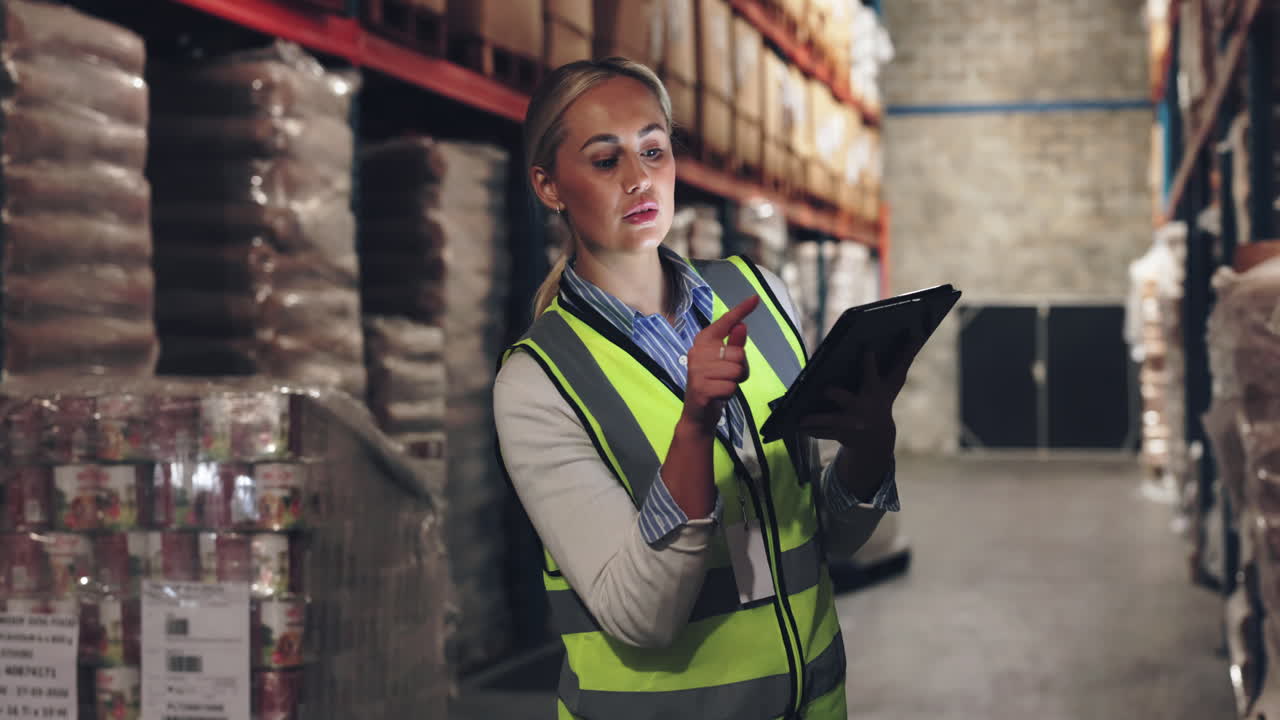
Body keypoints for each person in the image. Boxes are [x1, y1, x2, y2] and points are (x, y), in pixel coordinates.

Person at [494, 57, 912, 720]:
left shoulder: (760, 299)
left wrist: (868, 453)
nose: (639, 179)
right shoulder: (538, 381)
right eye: (606, 161)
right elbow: (640, 617)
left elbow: (822, 540)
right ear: (549, 186)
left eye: (653, 150)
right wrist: (692, 427)